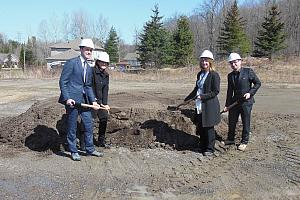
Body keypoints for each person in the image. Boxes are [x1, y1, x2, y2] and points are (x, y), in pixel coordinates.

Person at [58, 38, 104, 161]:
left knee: (88, 125)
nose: (89, 52)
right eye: (87, 49)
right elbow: (63, 81)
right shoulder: (71, 63)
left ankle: (90, 149)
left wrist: (93, 100)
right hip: (72, 101)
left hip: (84, 101)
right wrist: (67, 98)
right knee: (72, 126)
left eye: (91, 50)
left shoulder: (89, 67)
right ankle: (73, 151)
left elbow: (87, 86)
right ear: (81, 49)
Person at [184, 50, 221, 156]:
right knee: (201, 126)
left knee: (209, 127)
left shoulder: (214, 75)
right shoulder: (200, 74)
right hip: (200, 106)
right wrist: (187, 99)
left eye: (206, 61)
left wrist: (202, 96)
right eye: (202, 60)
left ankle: (210, 149)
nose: (204, 62)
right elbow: (196, 89)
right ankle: (203, 146)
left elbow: (215, 91)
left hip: (209, 105)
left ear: (210, 62)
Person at [222, 53, 261, 151]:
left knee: (245, 121)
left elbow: (258, 83)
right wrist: (227, 105)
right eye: (231, 63)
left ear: (240, 61)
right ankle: (230, 139)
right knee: (232, 121)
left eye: (235, 62)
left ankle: (244, 141)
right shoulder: (230, 76)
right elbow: (229, 91)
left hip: (246, 102)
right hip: (234, 102)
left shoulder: (248, 72)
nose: (233, 65)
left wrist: (250, 93)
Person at [92, 52, 111, 148]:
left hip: (101, 103)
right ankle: (85, 143)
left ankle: (101, 141)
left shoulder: (106, 75)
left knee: (104, 119)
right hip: (92, 102)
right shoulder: (92, 72)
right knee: (89, 122)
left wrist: (105, 104)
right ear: (98, 62)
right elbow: (89, 87)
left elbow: (105, 90)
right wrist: (94, 101)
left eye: (106, 63)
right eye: (102, 62)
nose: (104, 64)